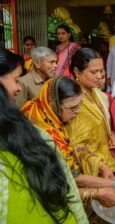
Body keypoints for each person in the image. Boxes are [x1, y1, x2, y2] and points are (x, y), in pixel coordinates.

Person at [22, 76, 115, 208]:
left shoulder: (47, 112)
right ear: (54, 103)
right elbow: (69, 177)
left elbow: (76, 148)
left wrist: (101, 165)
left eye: (79, 105)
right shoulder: (46, 134)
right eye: (72, 108)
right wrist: (113, 186)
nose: (78, 111)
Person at [0, 48, 88, 223]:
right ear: (54, 105)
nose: (18, 87)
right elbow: (64, 181)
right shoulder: (38, 133)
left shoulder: (59, 124)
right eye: (16, 80)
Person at [66, 48, 115, 176]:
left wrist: (110, 133)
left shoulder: (95, 92)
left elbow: (102, 122)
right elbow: (76, 144)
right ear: (77, 71)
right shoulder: (73, 102)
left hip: (106, 162)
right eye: (94, 72)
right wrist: (100, 166)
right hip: (91, 171)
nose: (100, 76)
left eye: (101, 71)